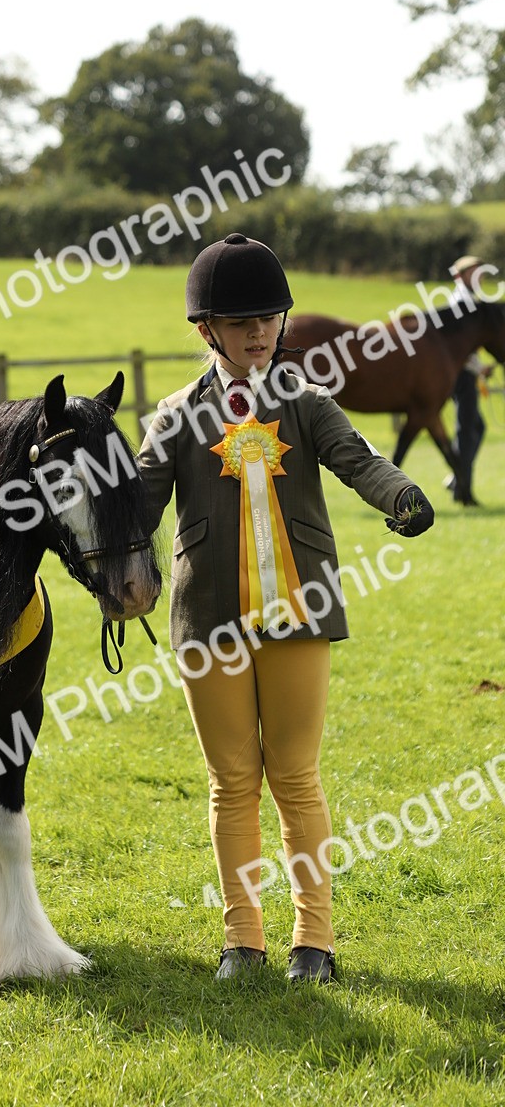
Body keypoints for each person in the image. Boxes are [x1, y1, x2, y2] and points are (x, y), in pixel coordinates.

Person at [137, 233, 435, 984]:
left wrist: (400, 495)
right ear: (207, 331)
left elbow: (357, 459)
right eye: (243, 322)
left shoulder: (307, 402)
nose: (261, 332)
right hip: (210, 621)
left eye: (270, 317)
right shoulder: (174, 417)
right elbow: (133, 504)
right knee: (231, 782)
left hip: (302, 612)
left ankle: (316, 942)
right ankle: (243, 940)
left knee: (296, 777)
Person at [445, 255, 494, 506]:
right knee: (467, 430)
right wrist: (480, 368)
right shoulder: (463, 302)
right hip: (463, 374)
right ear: (462, 275)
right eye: (475, 273)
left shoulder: (464, 300)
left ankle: (457, 477)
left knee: (475, 427)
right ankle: (462, 489)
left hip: (464, 372)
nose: (480, 278)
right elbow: (462, 349)